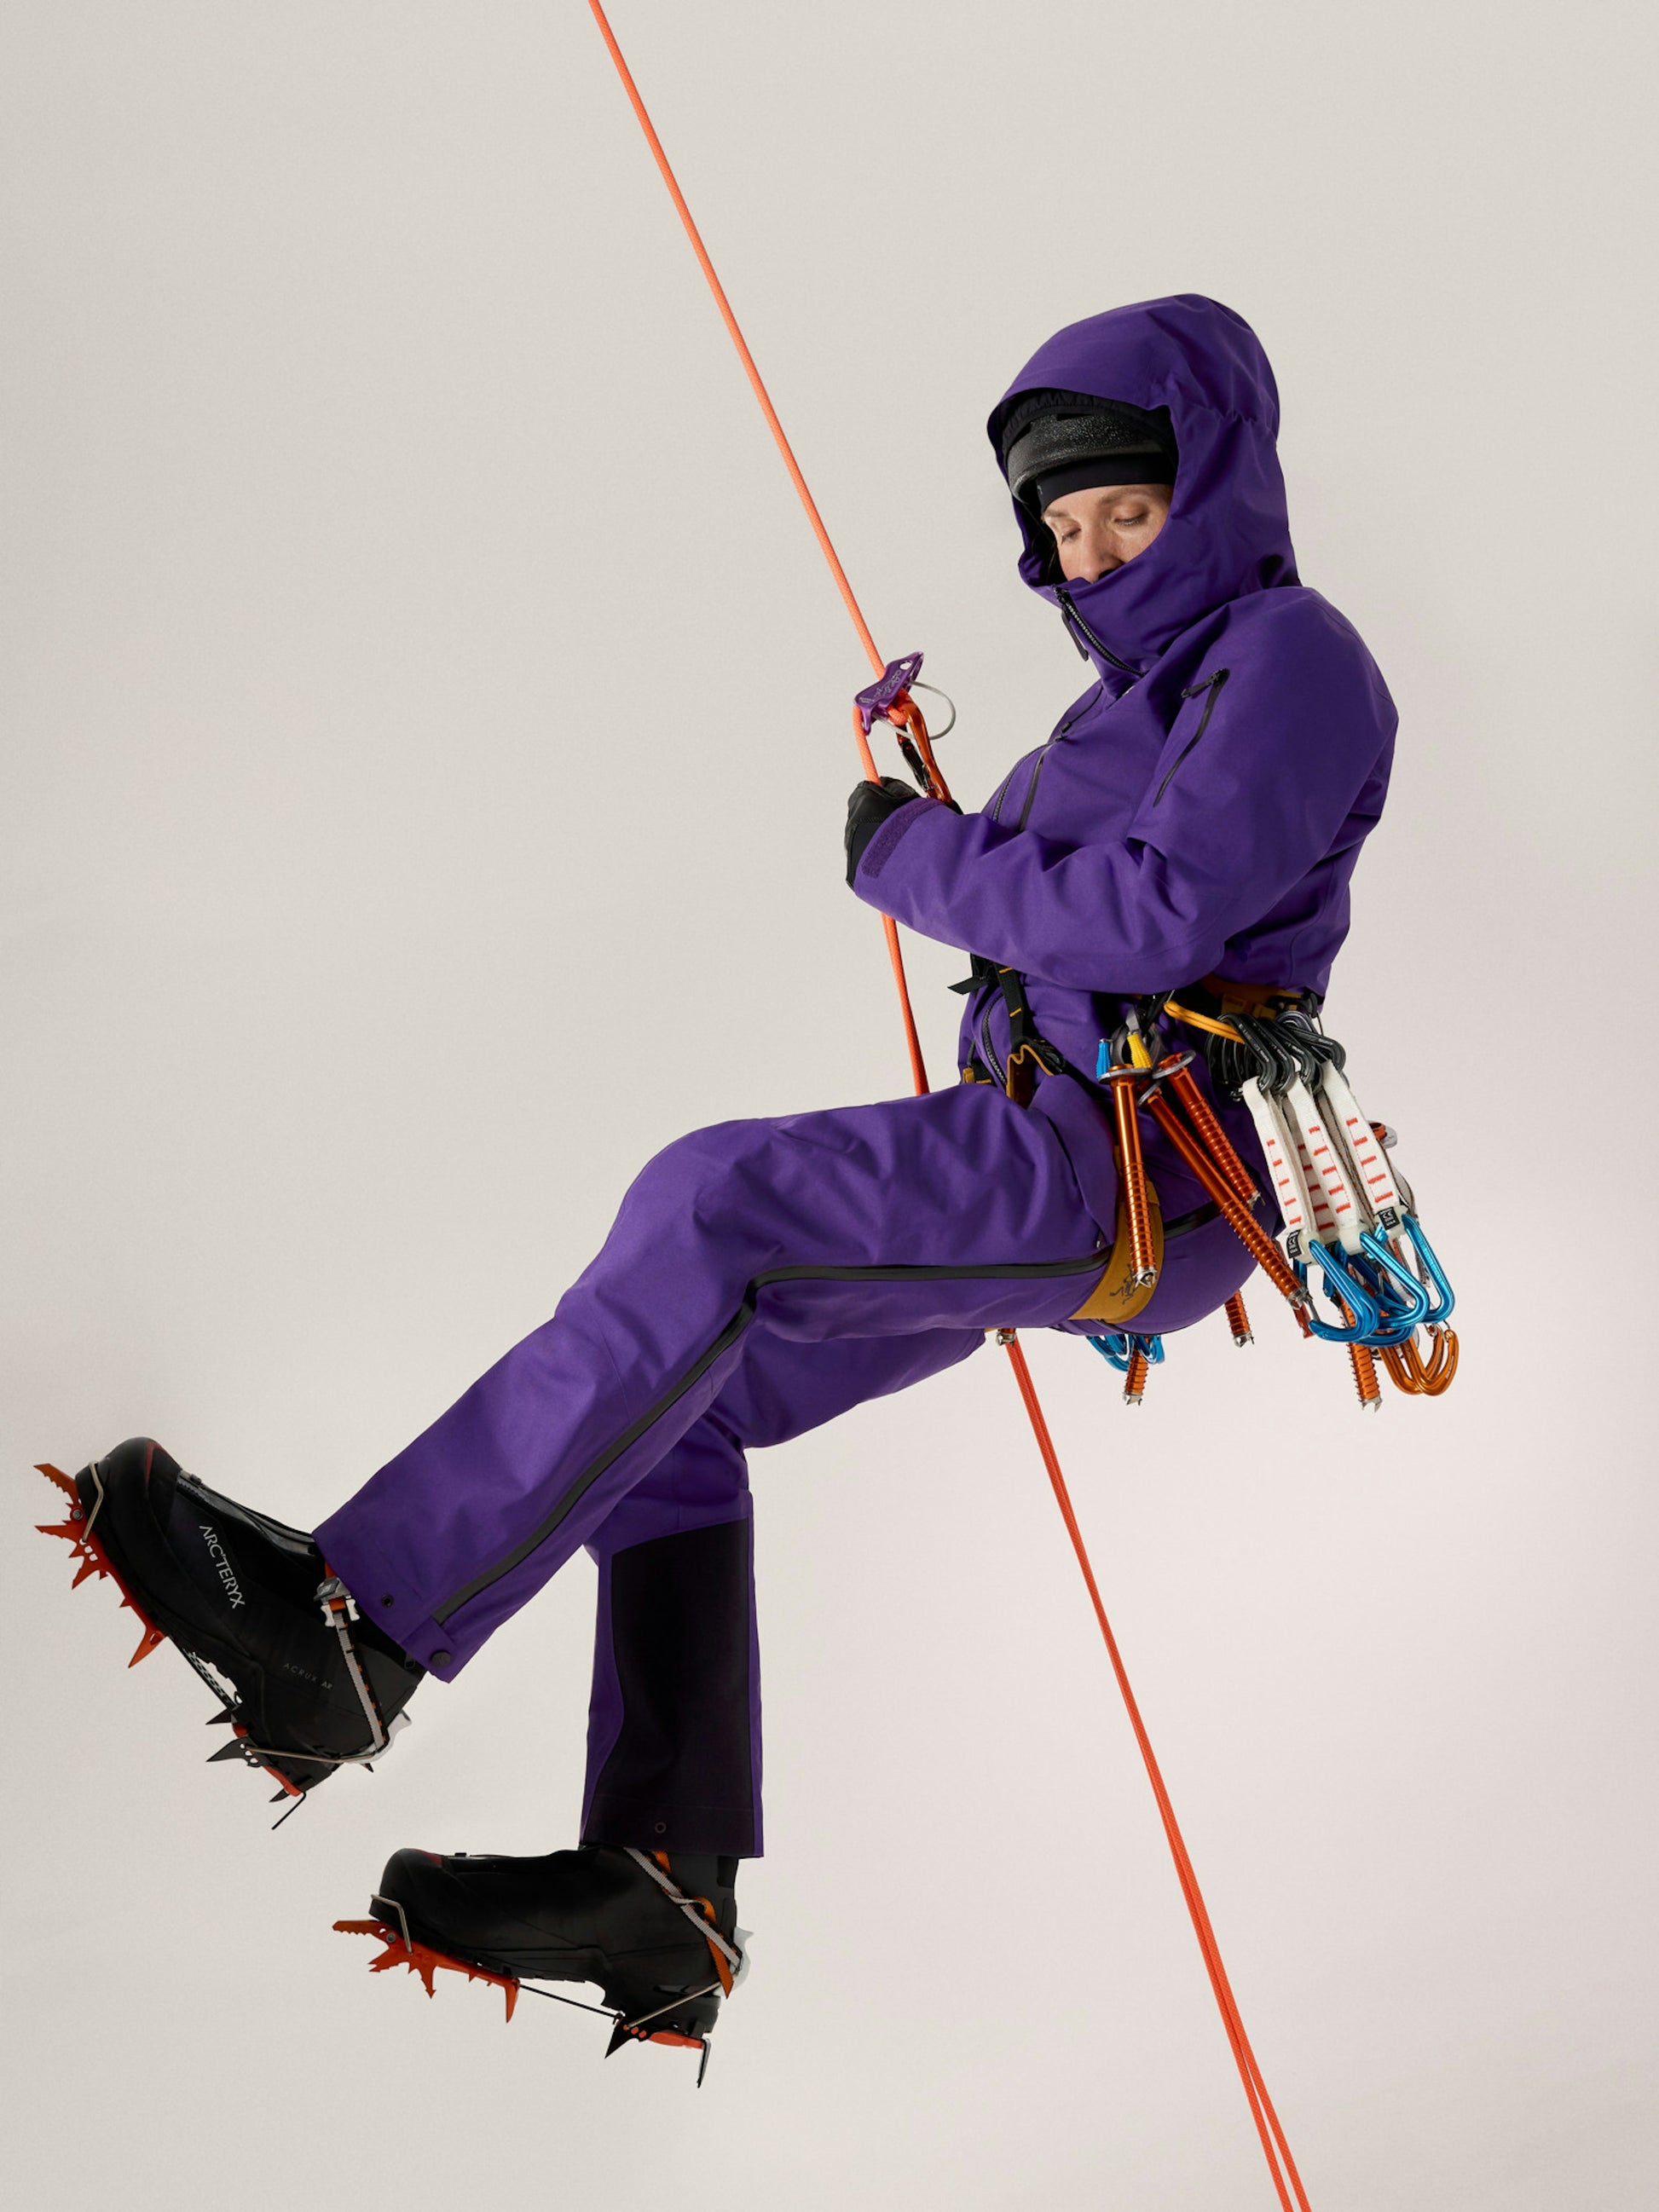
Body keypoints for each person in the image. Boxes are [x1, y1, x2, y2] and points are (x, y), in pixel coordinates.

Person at [43, 294, 1396, 2058]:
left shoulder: (1289, 657)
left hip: (1135, 1163)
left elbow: (1154, 916)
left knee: (715, 1204)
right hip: (1064, 1140)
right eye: (1062, 530)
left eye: (1125, 512)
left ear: (1210, 482)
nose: (1089, 557)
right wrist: (947, 841)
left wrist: (912, 857)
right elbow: (1073, 895)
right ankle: (663, 1885)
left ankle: (347, 1632)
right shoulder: (1130, 707)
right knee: (670, 1392)